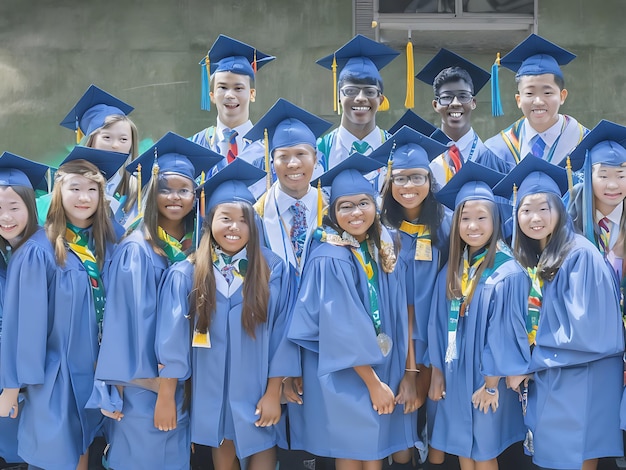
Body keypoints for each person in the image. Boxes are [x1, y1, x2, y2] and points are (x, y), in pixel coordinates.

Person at [155, 159, 298, 470]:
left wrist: (274, 391)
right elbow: (172, 341)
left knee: (261, 446)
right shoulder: (188, 273)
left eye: (244, 220)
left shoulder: (273, 271)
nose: (235, 227)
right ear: (209, 222)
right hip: (211, 395)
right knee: (223, 449)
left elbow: (282, 335)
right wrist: (167, 394)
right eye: (225, 218)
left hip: (258, 391)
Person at [92, 132, 222, 470]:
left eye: (184, 190)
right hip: (146, 388)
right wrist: (159, 389)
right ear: (152, 192)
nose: (175, 197)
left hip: (185, 384)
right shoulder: (137, 250)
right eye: (165, 189)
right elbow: (129, 326)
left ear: (197, 195)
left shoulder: (200, 248)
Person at [493, 156, 624, 470]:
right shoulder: (542, 256)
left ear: (561, 209)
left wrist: (527, 363)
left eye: (543, 208)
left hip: (580, 379)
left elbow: (585, 331)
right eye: (526, 210)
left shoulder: (579, 256)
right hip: (560, 378)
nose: (534, 218)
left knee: (572, 459)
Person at [0, 146, 127, 470]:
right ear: (59, 191)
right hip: (54, 380)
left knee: (84, 452)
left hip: (98, 374)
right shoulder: (38, 252)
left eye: (91, 190)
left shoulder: (108, 245)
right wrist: (12, 388)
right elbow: (24, 329)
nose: (83, 197)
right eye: (74, 188)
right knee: (56, 458)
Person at [288, 154, 414, 470]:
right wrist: (373, 383)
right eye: (345, 206)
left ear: (376, 206)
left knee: (371, 453)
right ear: (332, 213)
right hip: (349, 372)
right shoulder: (330, 256)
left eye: (363, 203)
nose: (356, 212)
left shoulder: (375, 248)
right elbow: (339, 327)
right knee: (354, 452)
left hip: (373, 367)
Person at [427, 161, 530, 470]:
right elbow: (436, 324)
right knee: (463, 446)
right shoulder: (452, 269)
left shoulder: (507, 271)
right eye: (465, 219)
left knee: (484, 450)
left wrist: (490, 384)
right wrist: (437, 373)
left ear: (495, 220)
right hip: (455, 374)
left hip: (487, 379)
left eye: (481, 218)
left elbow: (504, 333)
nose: (473, 226)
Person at [372, 126, 450, 469]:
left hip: (442, 340)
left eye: (417, 177)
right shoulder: (381, 230)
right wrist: (410, 367)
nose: (408, 187)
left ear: (431, 181)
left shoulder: (448, 225)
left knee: (442, 429)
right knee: (402, 428)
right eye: (400, 179)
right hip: (399, 343)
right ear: (389, 183)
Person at [247, 98, 332, 282]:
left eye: (301, 154)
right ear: (271, 161)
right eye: (283, 156)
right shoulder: (255, 217)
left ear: (315, 158)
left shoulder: (332, 212)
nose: (293, 164)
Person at [0, 152, 49, 469]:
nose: (6, 217)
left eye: (14, 207)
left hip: (35, 377)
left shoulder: (45, 250)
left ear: (30, 207)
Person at [485, 34, 588, 167]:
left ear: (562, 96)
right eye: (529, 93)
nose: (538, 101)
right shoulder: (497, 150)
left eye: (547, 92)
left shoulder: (584, 143)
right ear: (519, 99)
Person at [315, 34, 399, 191]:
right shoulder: (320, 150)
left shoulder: (395, 148)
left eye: (370, 91)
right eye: (351, 91)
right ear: (338, 97)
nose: (361, 98)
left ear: (380, 99)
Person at [415, 48, 511, 186]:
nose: (455, 103)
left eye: (463, 96)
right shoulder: (423, 158)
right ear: (436, 105)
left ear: (473, 103)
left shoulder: (494, 162)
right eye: (447, 97)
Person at [190, 34, 275, 173]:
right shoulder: (196, 144)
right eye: (222, 87)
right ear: (211, 96)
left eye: (238, 88)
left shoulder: (268, 148)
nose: (230, 95)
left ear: (252, 94)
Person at [60, 84, 139, 226]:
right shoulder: (67, 181)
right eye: (107, 137)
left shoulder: (136, 186)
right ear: (91, 140)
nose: (115, 145)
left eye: (123, 139)